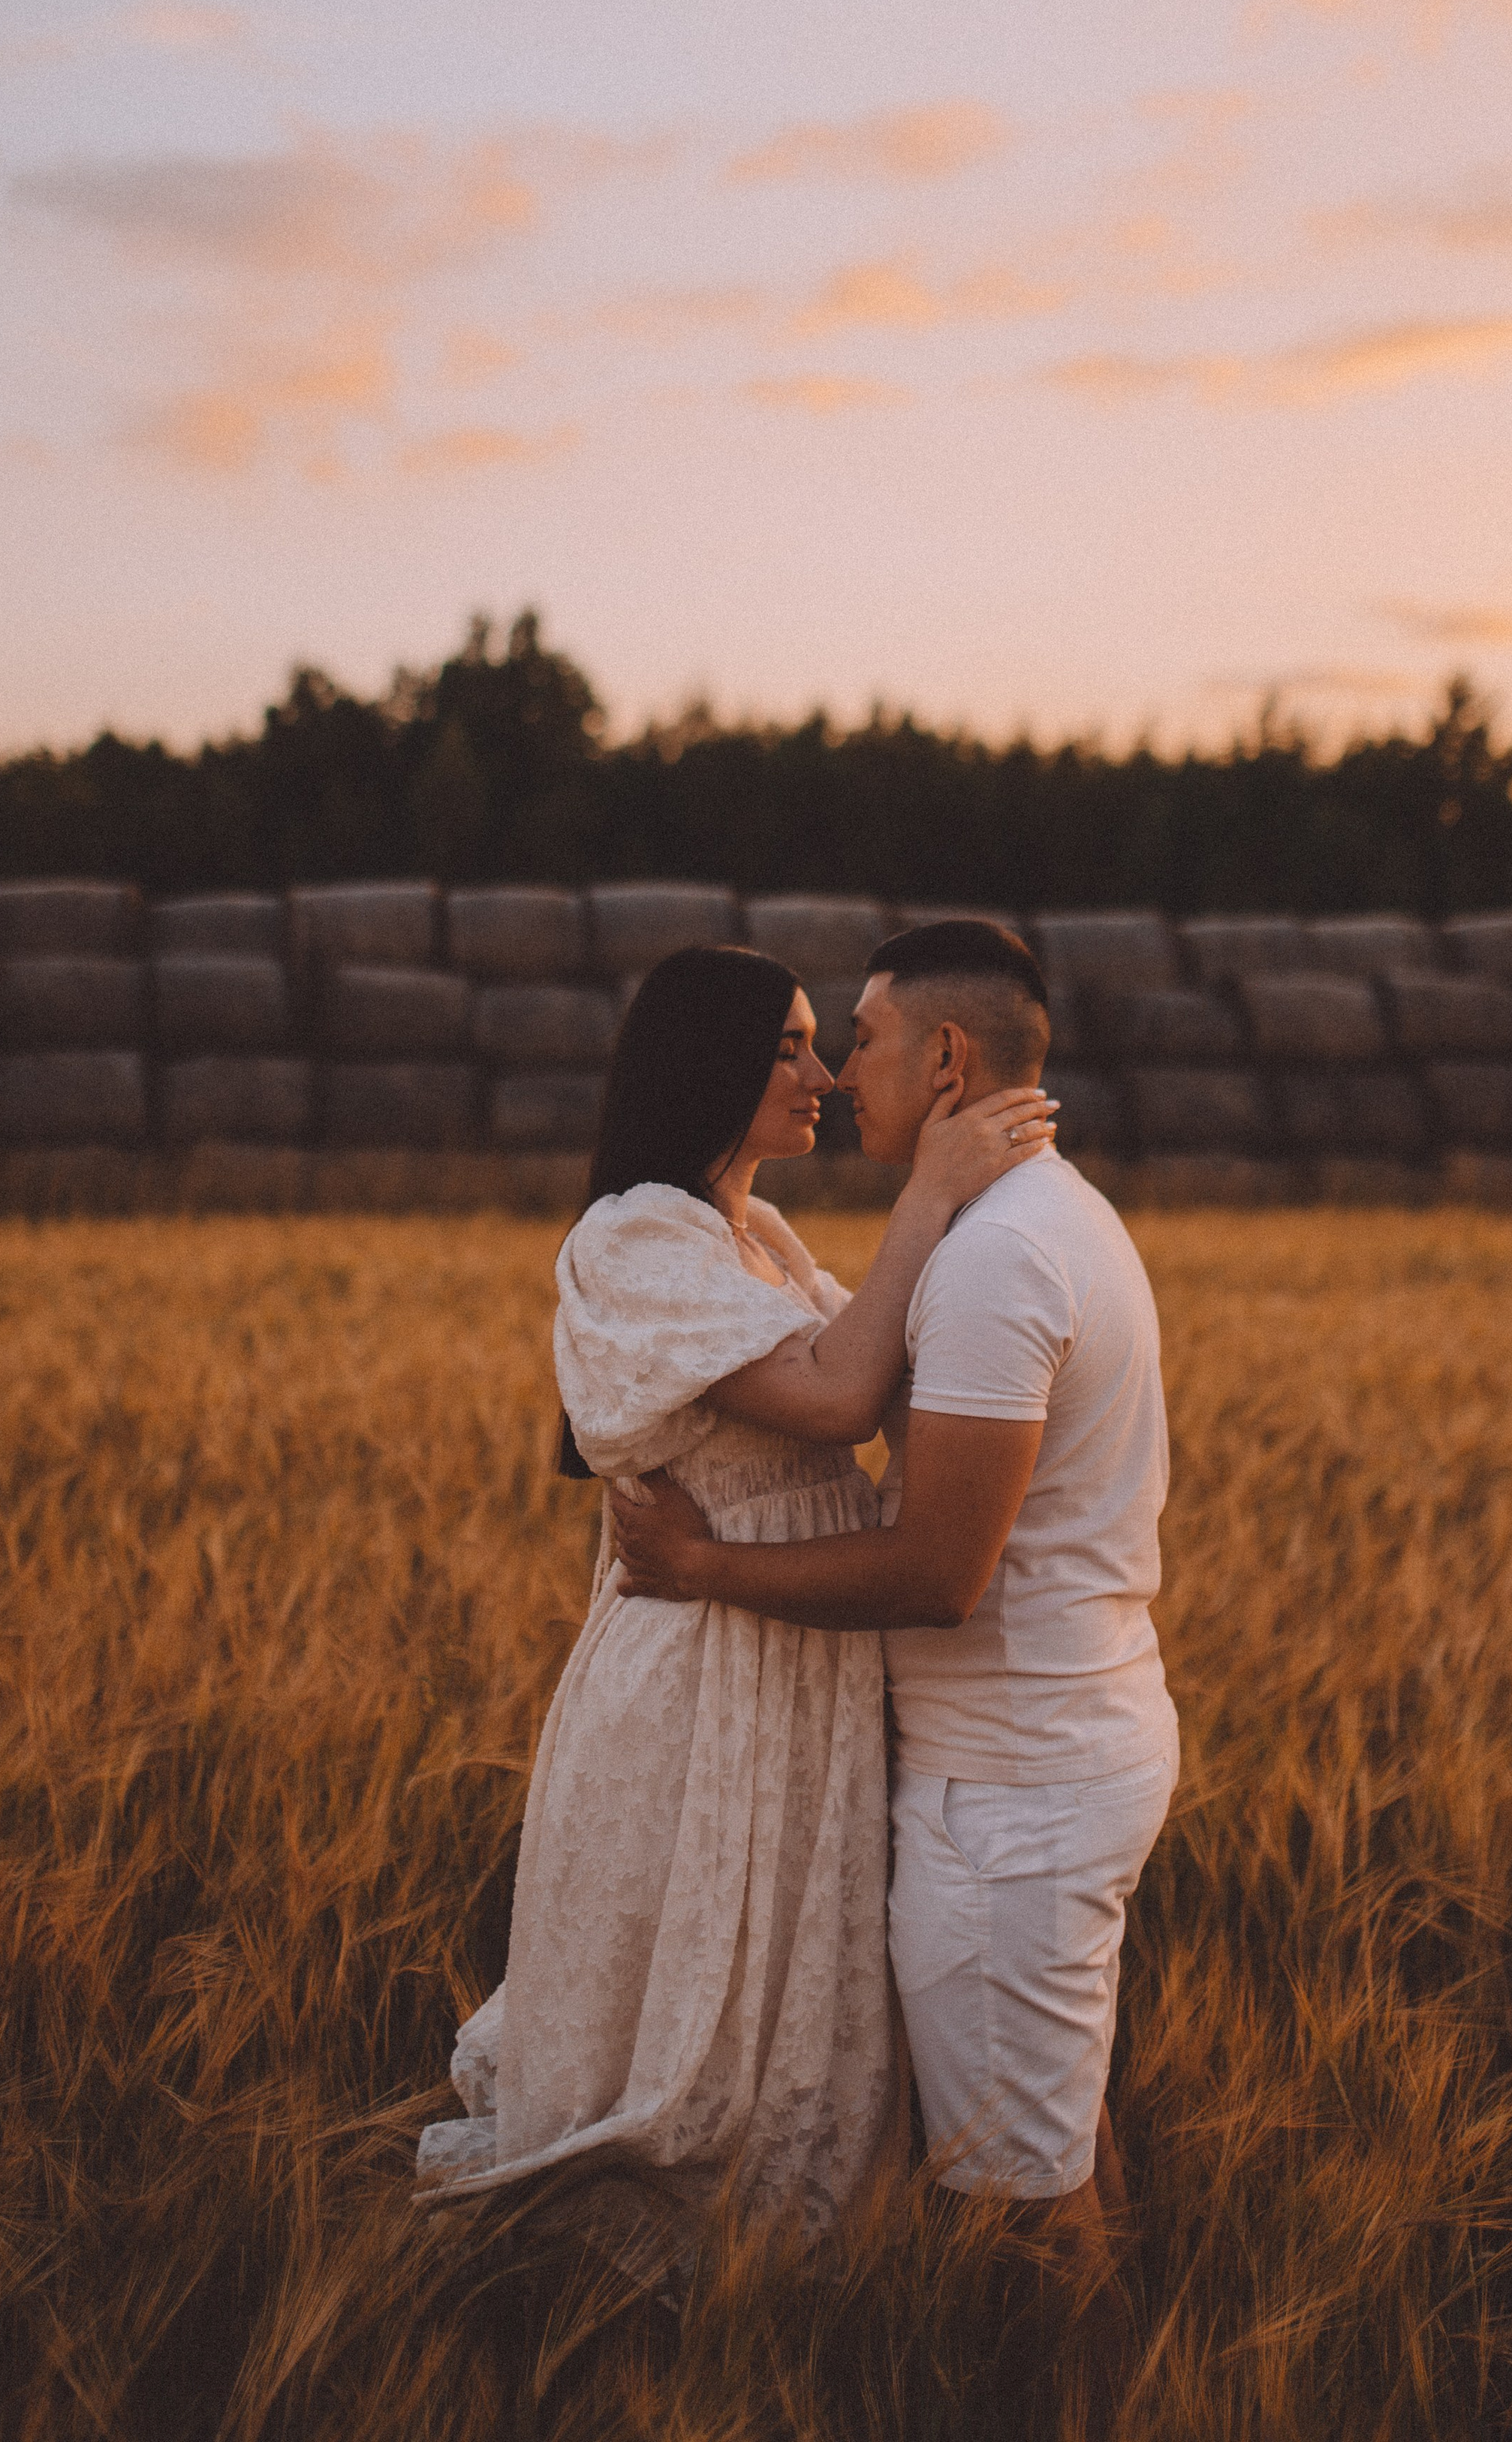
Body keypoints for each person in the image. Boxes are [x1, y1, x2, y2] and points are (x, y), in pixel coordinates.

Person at [415, 941, 1055, 2263]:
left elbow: (872, 1380)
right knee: (679, 1993)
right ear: (703, 1064)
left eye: (824, 1044)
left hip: (791, 1660)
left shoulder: (753, 1234)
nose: (822, 1075)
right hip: (700, 1672)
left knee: (782, 1981)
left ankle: (774, 2285)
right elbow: (833, 1396)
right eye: (786, 1049)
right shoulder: (635, 1232)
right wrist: (930, 1196)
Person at [610, 920, 1177, 2387]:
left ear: (941, 1057)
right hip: (1057, 1756)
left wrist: (707, 1568)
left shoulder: (997, 1258)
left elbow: (937, 1571)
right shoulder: (1046, 1216)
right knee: (1062, 2149)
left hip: (1010, 1799)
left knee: (1025, 2213)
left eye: (853, 1036)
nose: (838, 1070)